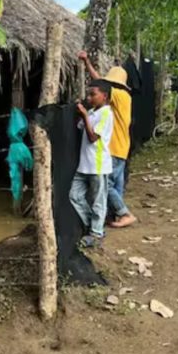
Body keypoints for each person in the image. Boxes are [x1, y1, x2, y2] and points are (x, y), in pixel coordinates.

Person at [78, 51, 136, 228]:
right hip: (122, 147)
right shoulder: (125, 98)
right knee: (116, 184)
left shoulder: (119, 95)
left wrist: (87, 63)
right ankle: (115, 215)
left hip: (114, 147)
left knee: (106, 185)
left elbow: (99, 83)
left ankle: (125, 213)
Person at [69, 79, 114, 248]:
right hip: (84, 165)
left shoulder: (106, 114)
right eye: (88, 94)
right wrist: (80, 112)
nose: (89, 98)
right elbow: (80, 126)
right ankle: (94, 226)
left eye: (93, 94)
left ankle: (96, 234)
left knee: (98, 201)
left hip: (98, 165)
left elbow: (93, 137)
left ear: (104, 96)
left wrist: (85, 115)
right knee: (74, 196)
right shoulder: (92, 112)